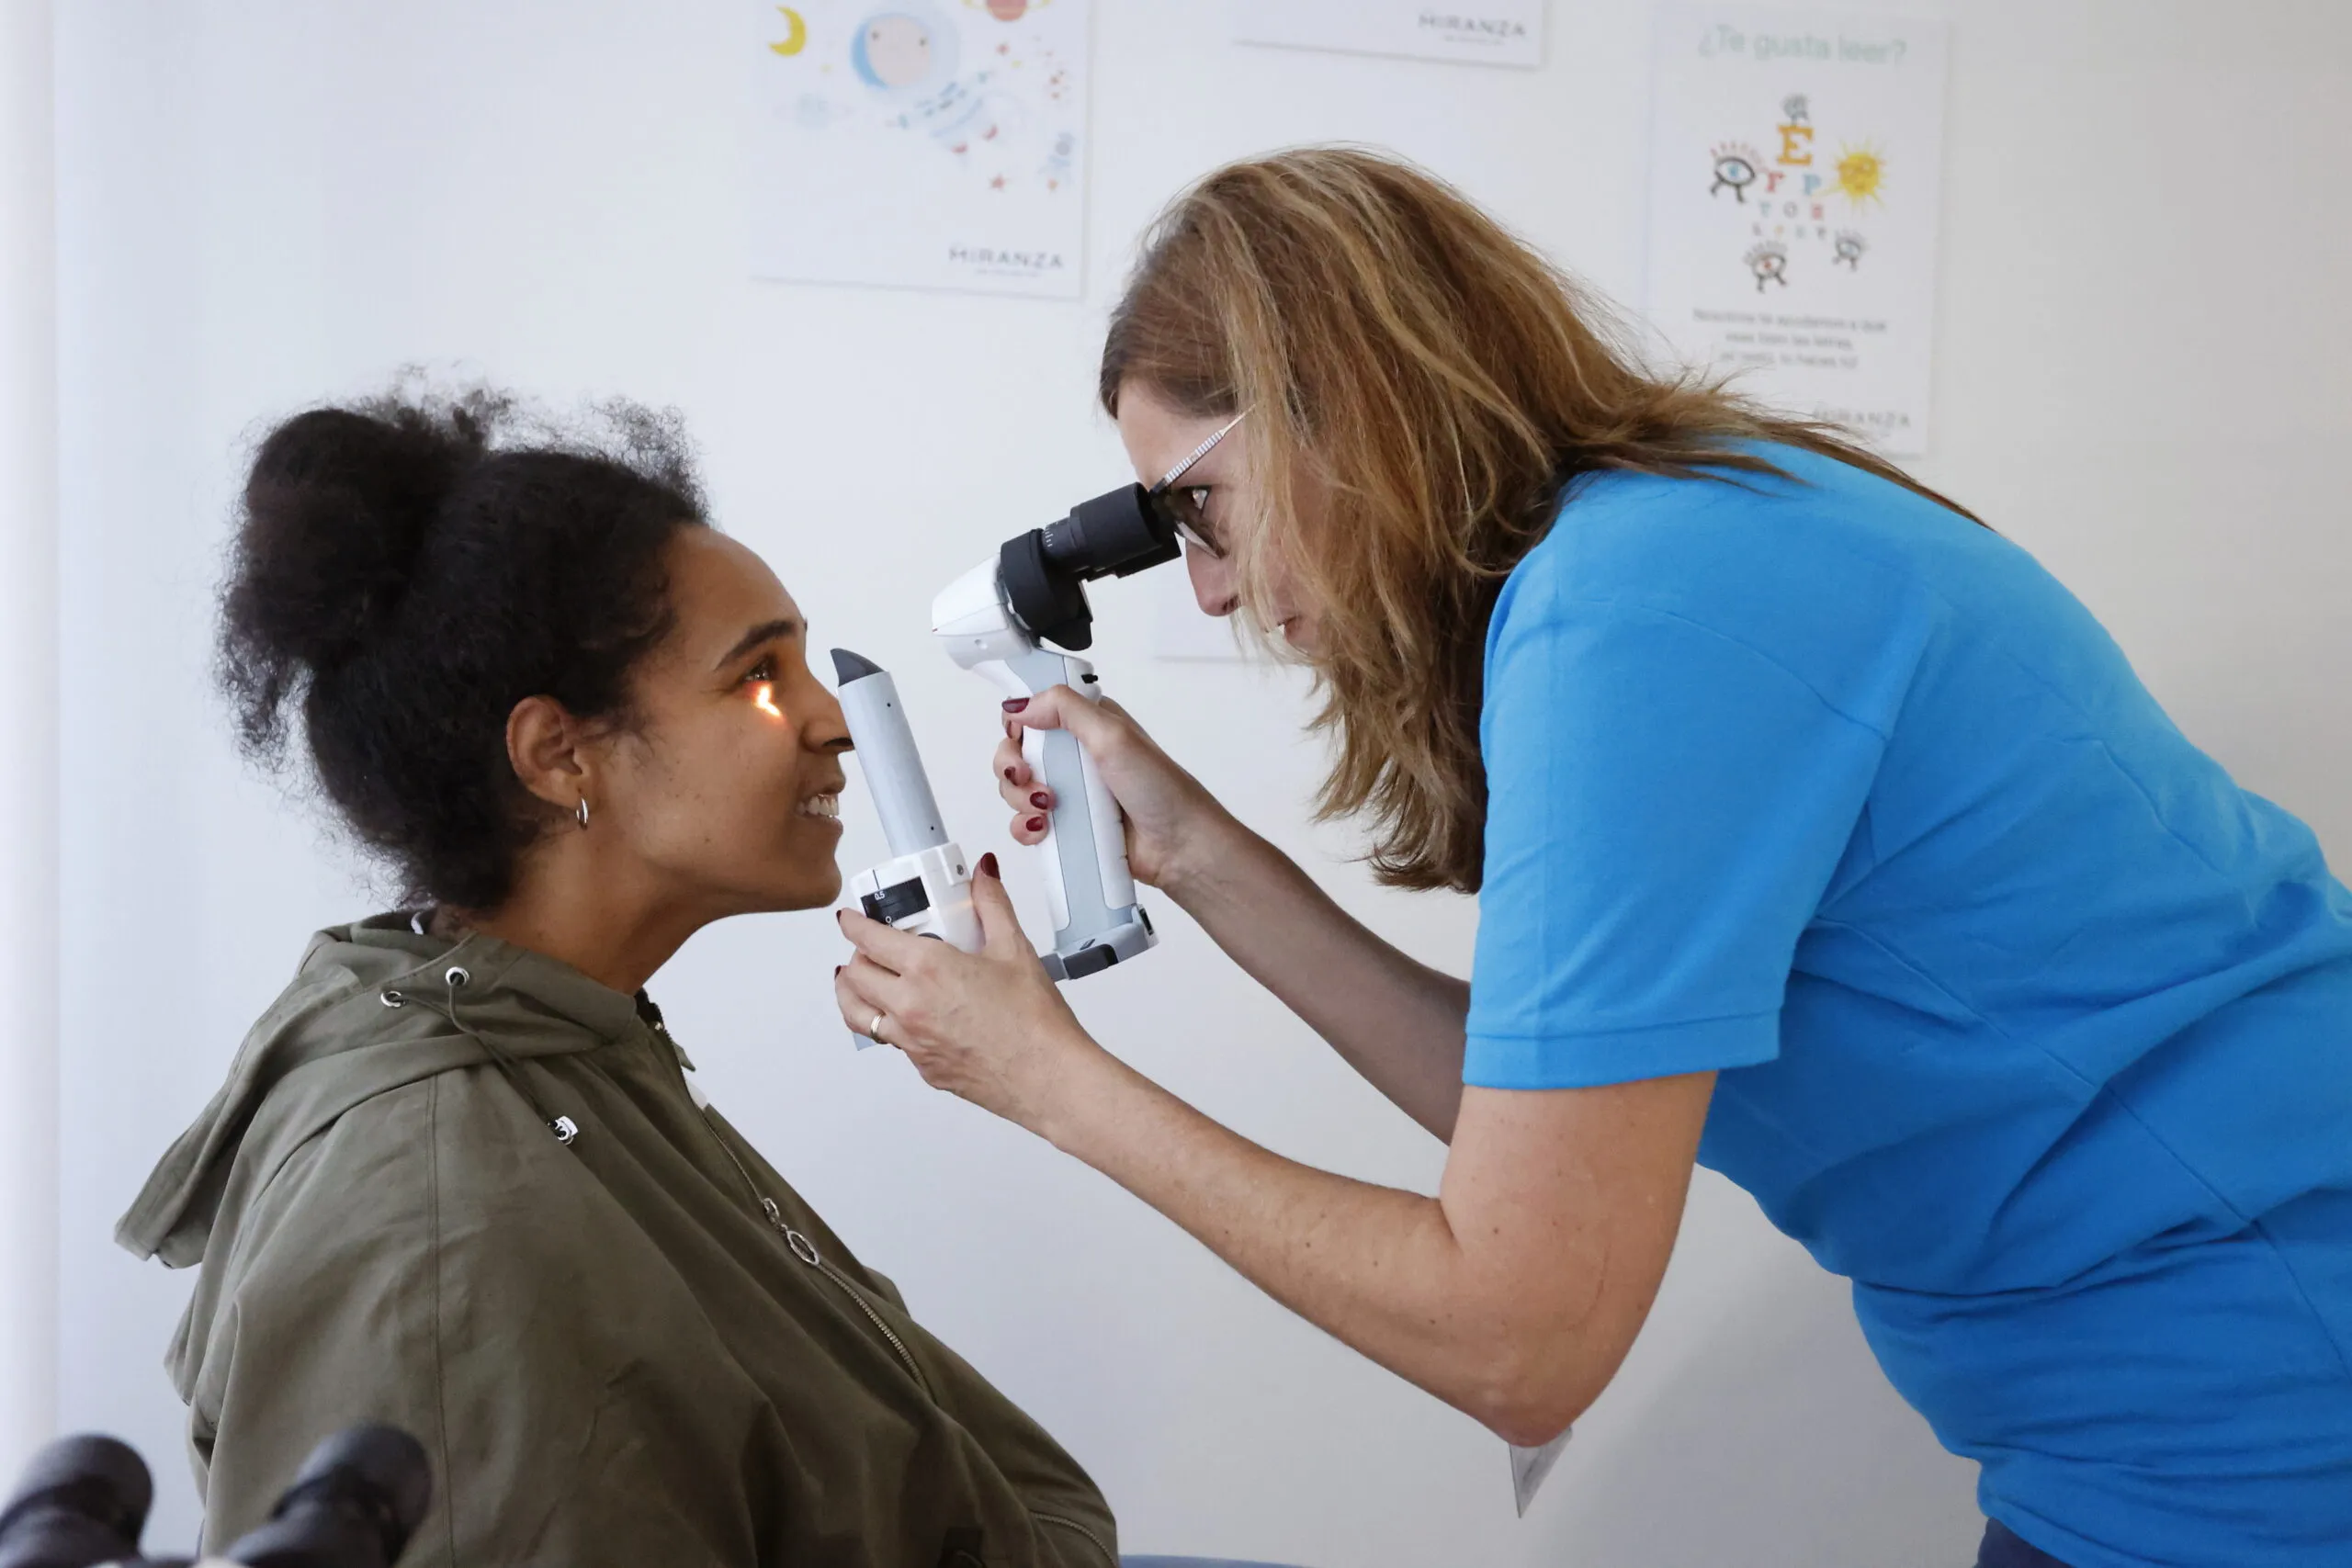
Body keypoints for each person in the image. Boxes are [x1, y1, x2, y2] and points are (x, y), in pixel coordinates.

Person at [835, 149, 2352, 1568]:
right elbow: (1550, 1136)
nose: (1214, 589)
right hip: (2173, 1394)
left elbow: (1519, 1333)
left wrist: (1045, 1077)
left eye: (1196, 511)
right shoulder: (1667, 544)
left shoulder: (1642, 607)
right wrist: (1202, 852)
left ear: (1339, 403)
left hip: (2263, 1393)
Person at [118, 391, 1120, 1567]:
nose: (827, 722)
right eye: (757, 677)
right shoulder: (445, 1230)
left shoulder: (572, 1043)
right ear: (559, 756)